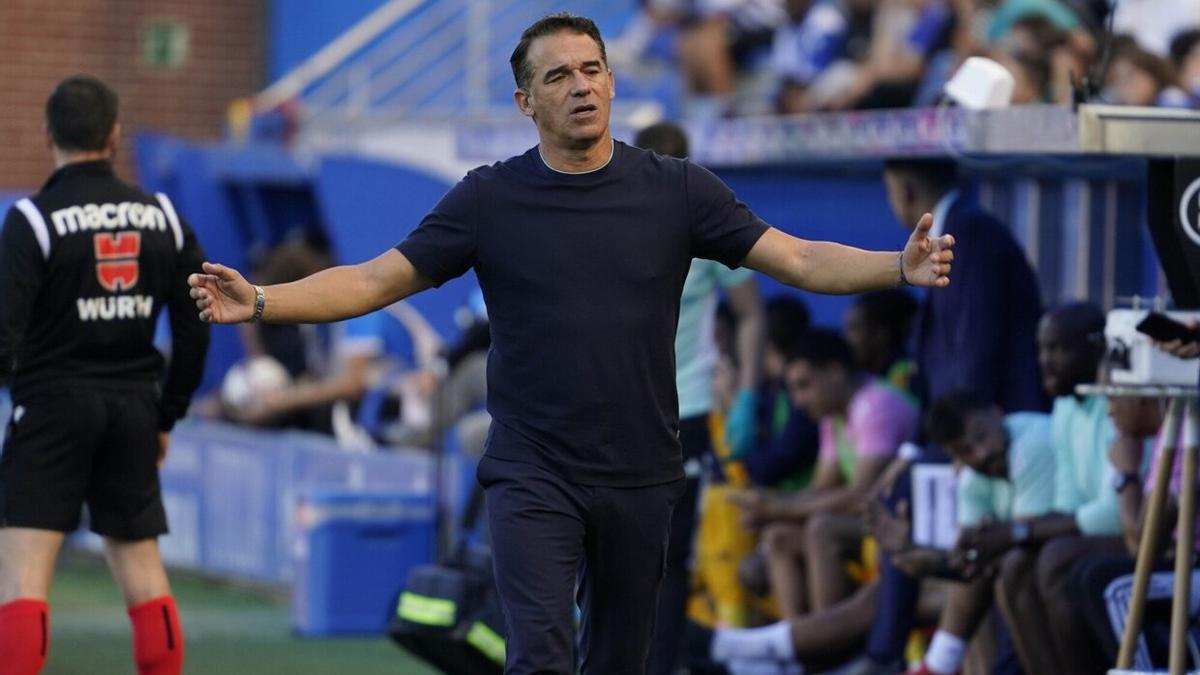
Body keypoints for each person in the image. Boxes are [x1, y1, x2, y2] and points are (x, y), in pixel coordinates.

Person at [187, 14, 955, 674]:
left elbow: (799, 258)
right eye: (559, 76)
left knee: (621, 661)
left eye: (593, 69)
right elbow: (372, 282)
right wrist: (260, 299)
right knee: (542, 658)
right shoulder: (489, 198)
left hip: (640, 470)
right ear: (526, 101)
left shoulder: (677, 189)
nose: (582, 86)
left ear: (614, 83)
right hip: (532, 471)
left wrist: (897, 265)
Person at [0, 76, 210, 675]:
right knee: (144, 575)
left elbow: (2, 335)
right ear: (114, 134)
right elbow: (197, 325)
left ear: (48, 135)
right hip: (132, 410)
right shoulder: (163, 216)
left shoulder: (32, 220)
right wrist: (167, 413)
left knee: (23, 580)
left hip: (49, 407)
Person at [634, 119, 768, 675]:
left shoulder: (706, 231)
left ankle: (659, 666)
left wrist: (747, 397)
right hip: (620, 409)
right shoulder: (617, 228)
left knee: (670, 554)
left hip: (685, 407)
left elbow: (752, 314)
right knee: (614, 550)